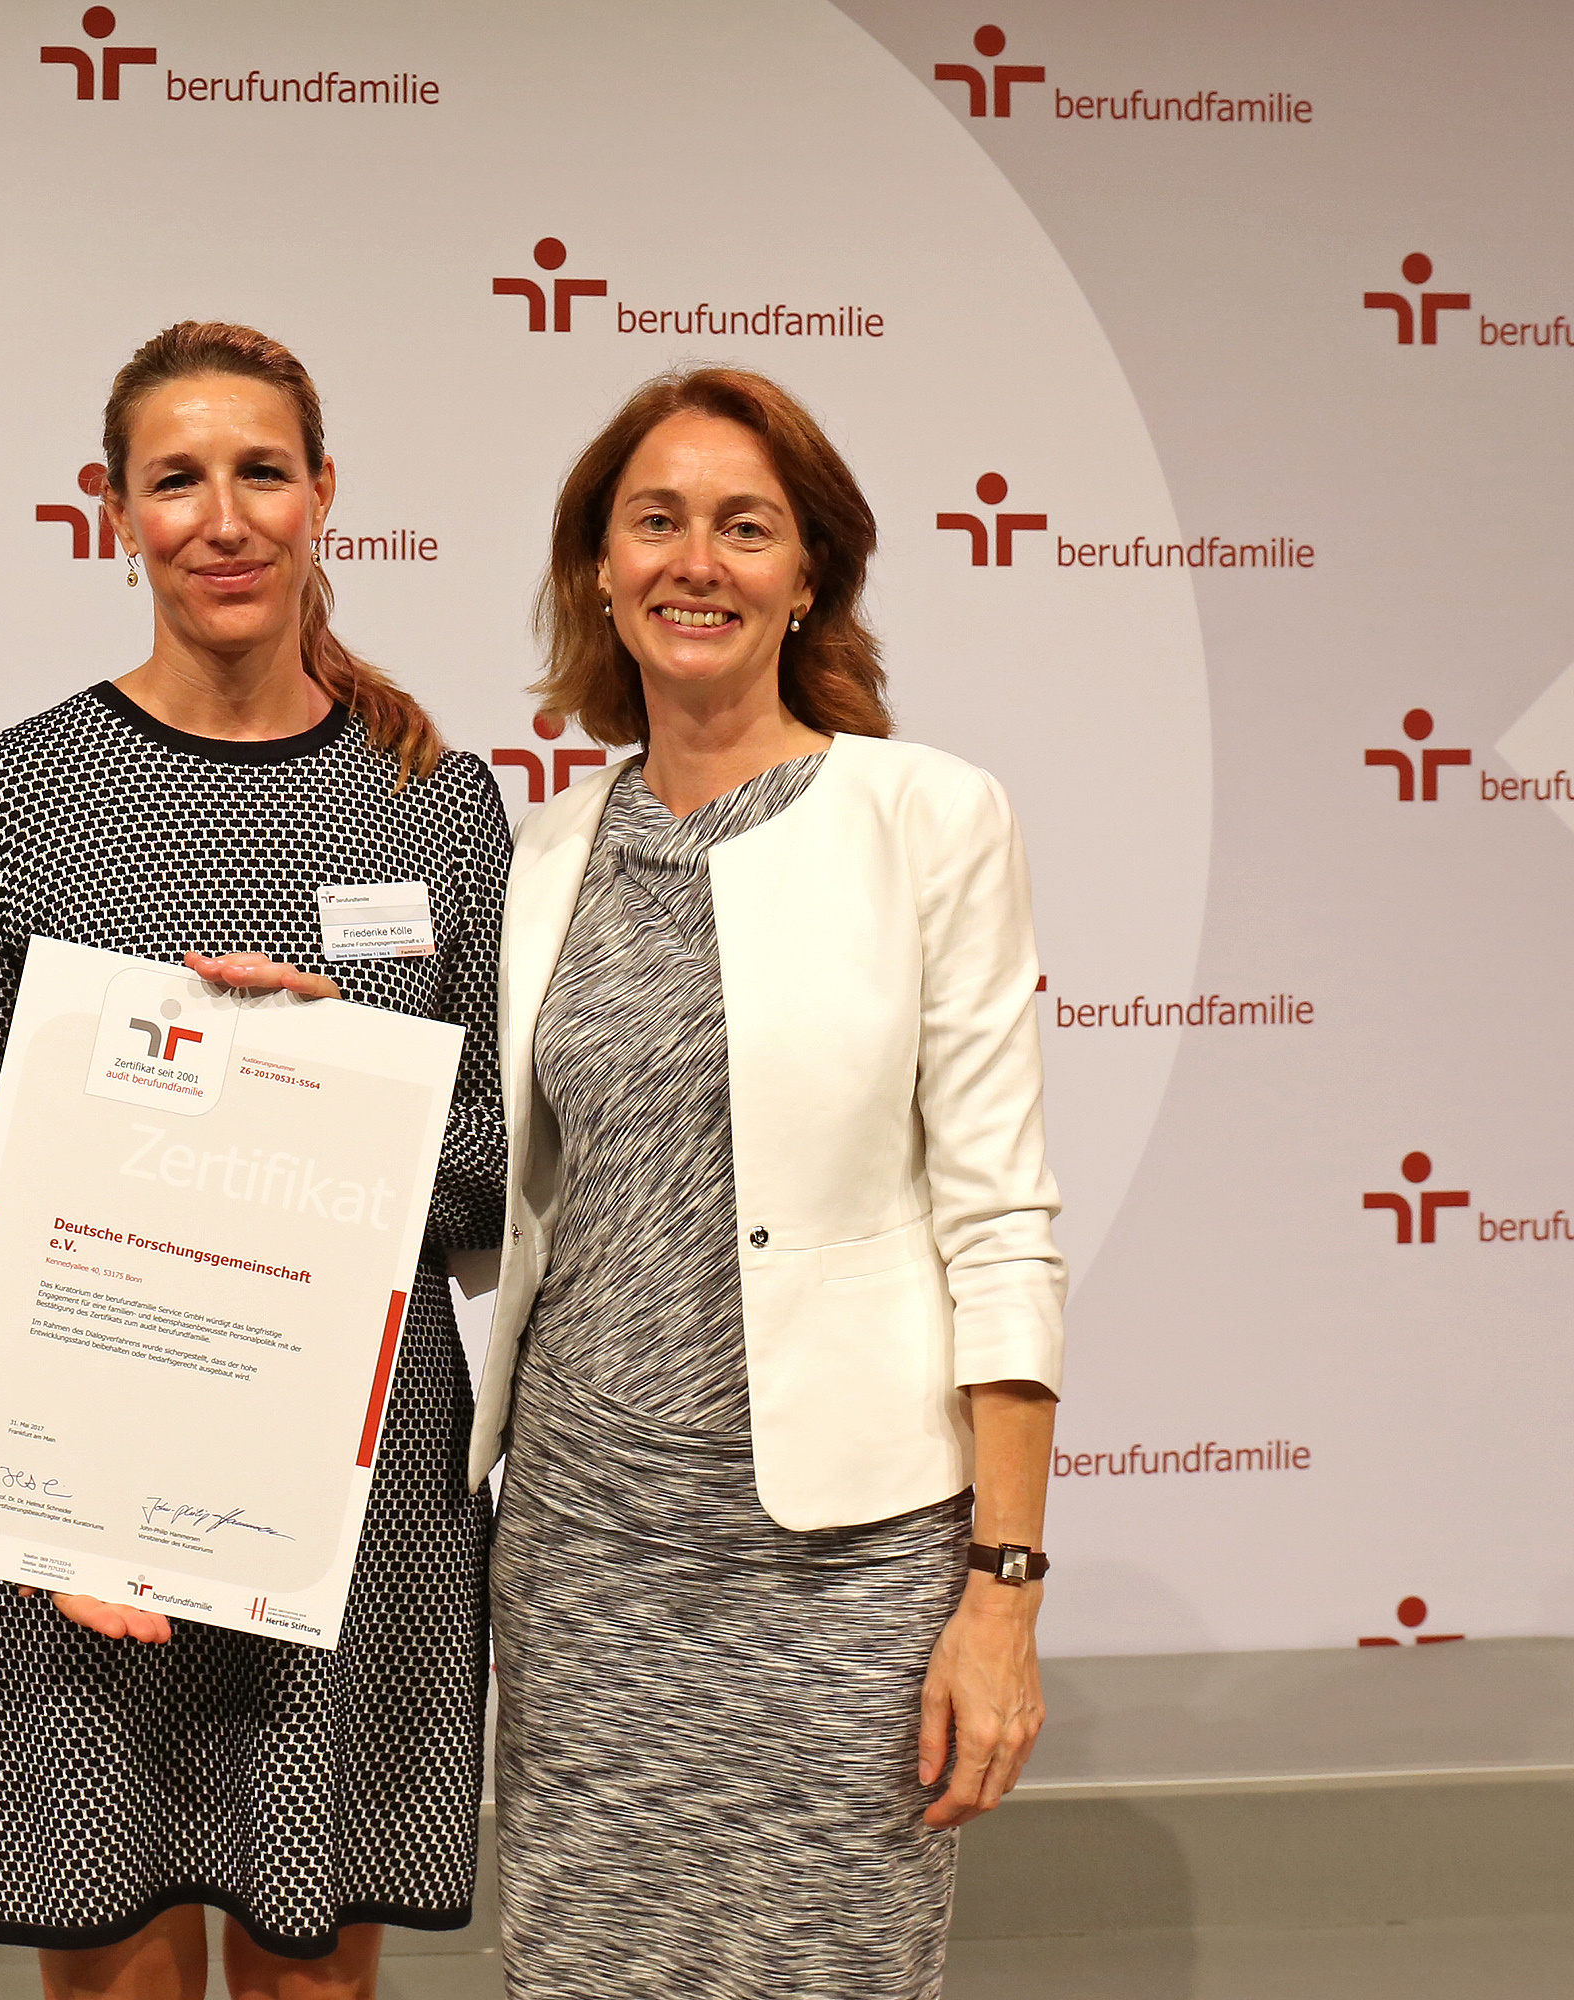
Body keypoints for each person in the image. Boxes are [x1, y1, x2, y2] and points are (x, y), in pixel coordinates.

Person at [0, 321, 509, 2000]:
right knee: (113, 1975)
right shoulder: (3, 800)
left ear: (322, 499)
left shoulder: (434, 808)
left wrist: (331, 1079)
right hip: (76, 1520)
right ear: (114, 511)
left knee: (316, 1977)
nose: (222, 519)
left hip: (353, 1495)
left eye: (260, 473)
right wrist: (55, 1463)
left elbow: (500, 1170)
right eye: (177, 479)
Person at [474, 365, 1065, 1998]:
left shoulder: (928, 819)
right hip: (589, 1557)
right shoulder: (542, 859)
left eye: (747, 526)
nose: (696, 562)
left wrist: (1001, 1593)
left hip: (846, 1560)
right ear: (597, 563)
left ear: (812, 574)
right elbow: (492, 1197)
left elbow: (1003, 1223)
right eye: (654, 520)